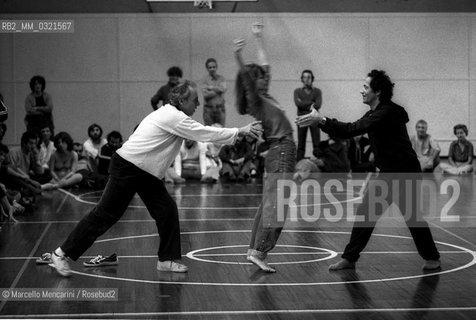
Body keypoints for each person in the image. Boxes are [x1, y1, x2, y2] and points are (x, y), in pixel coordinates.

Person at [48, 80, 262, 277]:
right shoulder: (173, 116)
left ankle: (167, 260)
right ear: (181, 100)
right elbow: (203, 133)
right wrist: (240, 130)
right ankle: (60, 254)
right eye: (194, 99)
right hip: (129, 167)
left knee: (167, 210)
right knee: (105, 215)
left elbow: (200, 133)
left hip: (144, 172)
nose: (198, 103)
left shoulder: (173, 115)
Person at [296, 69, 441, 271]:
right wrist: (322, 121)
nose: (362, 91)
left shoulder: (386, 112)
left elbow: (353, 129)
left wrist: (321, 120)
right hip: (391, 172)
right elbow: (350, 129)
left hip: (404, 172)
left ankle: (431, 258)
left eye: (366, 87)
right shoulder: (375, 113)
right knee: (373, 212)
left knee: (408, 215)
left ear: (378, 91)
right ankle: (350, 258)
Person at [234, 23, 296, 273]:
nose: (263, 77)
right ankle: (260, 251)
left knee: (268, 203)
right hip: (281, 150)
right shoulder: (256, 100)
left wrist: (259, 38)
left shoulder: (265, 95)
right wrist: (238, 56)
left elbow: (266, 66)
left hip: (281, 150)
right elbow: (248, 79)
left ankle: (254, 250)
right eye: (259, 76)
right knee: (277, 204)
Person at [294, 70, 322, 161]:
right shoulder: (297, 91)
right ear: (302, 79)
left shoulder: (317, 91)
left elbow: (318, 105)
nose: (306, 79)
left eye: (309, 77)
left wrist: (303, 103)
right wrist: (311, 103)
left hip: (314, 119)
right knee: (301, 144)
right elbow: (298, 104)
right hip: (301, 119)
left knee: (316, 144)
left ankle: (318, 168)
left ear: (312, 79)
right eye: (304, 77)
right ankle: (299, 166)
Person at [200, 58, 227, 126]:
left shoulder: (221, 78)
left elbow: (223, 89)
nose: (212, 69)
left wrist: (210, 87)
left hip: (220, 109)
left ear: (216, 67)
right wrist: (218, 91)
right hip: (208, 109)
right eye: (210, 67)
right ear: (207, 68)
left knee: (221, 132)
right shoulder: (204, 80)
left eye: (214, 67)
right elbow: (205, 94)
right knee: (209, 132)